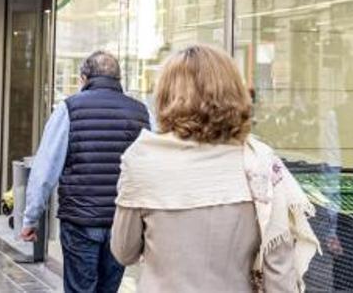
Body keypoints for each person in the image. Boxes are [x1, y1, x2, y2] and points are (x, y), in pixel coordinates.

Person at [111, 44, 317, 292]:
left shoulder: (143, 159)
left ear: (166, 96)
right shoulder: (260, 163)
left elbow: (124, 252)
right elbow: (279, 273)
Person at [20, 51, 152, 293]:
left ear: (84, 78)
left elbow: (45, 169)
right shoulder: (142, 112)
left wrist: (31, 218)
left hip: (80, 221)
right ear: (118, 79)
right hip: (122, 221)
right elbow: (152, 172)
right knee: (108, 289)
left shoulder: (69, 109)